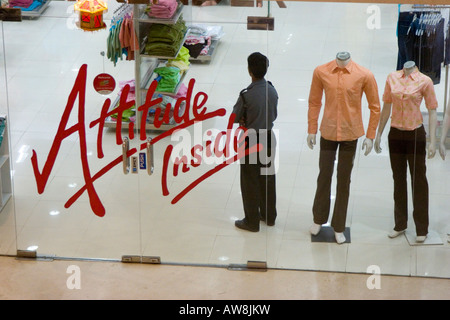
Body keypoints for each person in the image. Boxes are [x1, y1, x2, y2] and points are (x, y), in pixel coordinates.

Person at [307, 52, 381, 244]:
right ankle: (318, 219)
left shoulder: (364, 75)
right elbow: (314, 102)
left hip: (350, 134)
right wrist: (312, 129)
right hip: (328, 132)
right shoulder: (321, 71)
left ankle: (339, 226)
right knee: (324, 175)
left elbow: (375, 106)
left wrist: (370, 136)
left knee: (343, 180)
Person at [374, 61, 438, 243]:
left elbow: (432, 110)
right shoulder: (392, 77)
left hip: (415, 134)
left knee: (418, 180)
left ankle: (421, 227)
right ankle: (400, 223)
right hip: (395, 133)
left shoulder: (424, 81)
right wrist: (379, 132)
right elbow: (386, 105)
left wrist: (432, 141)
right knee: (398, 179)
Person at [232, 52, 278, 232]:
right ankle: (269, 216)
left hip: (250, 139)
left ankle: (251, 221)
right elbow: (274, 113)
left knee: (250, 180)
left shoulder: (246, 96)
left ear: (250, 70)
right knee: (268, 177)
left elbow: (235, 117)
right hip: (268, 137)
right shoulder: (272, 90)